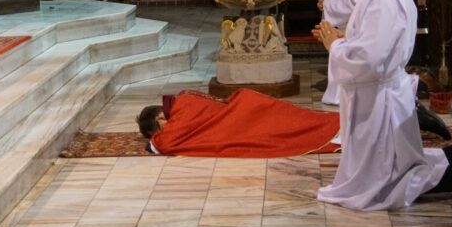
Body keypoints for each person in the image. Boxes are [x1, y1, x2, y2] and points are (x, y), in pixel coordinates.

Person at [314, 0, 452, 211]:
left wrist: (335, 46)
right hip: (378, 93)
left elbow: (370, 59)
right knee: (391, 165)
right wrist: (345, 36)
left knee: (389, 175)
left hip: (379, 98)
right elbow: (377, 41)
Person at [136, 89, 341, 158]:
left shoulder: (182, 108)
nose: (163, 131)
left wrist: (154, 141)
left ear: (160, 118)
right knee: (297, 120)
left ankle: (336, 128)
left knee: (287, 128)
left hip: (245, 116)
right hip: (248, 108)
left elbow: (165, 143)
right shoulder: (183, 97)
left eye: (158, 129)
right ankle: (338, 125)